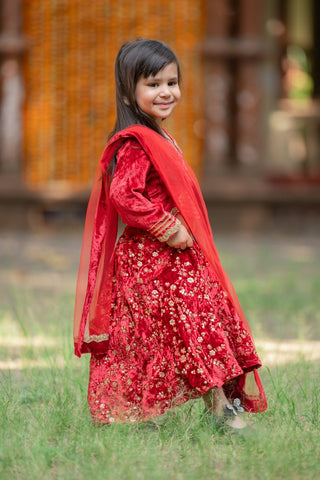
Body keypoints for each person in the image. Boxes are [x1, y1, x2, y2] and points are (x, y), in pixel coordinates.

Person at [73, 39, 267, 430]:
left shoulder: (159, 136)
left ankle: (219, 407)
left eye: (172, 82)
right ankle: (143, 410)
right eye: (153, 84)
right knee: (182, 329)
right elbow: (124, 194)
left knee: (202, 323)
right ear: (129, 91)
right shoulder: (133, 142)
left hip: (178, 261)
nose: (166, 92)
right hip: (153, 261)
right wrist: (167, 226)